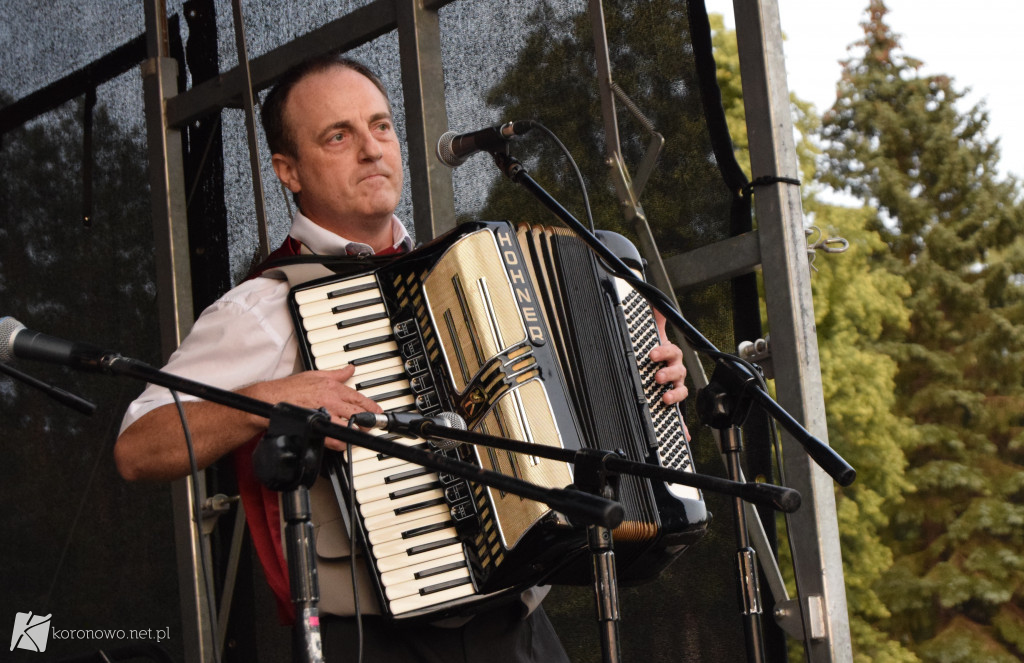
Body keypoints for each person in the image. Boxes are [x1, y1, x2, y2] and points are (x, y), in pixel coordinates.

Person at [115, 52, 689, 662]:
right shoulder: (263, 306)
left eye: (380, 126)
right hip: (377, 641)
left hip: (519, 628)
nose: (370, 149)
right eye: (338, 135)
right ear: (289, 170)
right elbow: (138, 447)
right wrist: (264, 403)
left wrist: (643, 387)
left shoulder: (468, 273)